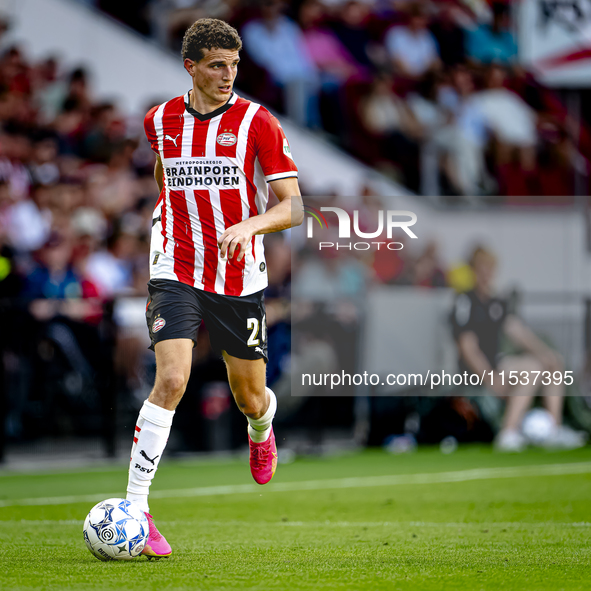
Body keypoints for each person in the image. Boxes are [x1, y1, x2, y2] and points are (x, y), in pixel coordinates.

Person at [126, 18, 303, 559]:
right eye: (217, 65)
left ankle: (261, 426)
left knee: (249, 395)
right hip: (174, 265)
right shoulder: (159, 120)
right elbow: (164, 175)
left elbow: (294, 206)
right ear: (191, 68)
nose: (228, 75)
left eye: (234, 65)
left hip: (237, 275)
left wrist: (250, 225)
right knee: (172, 378)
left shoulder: (257, 122)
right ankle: (136, 509)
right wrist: (173, 223)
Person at [451, 247, 585, 452]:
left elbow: (518, 332)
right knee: (532, 369)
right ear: (473, 271)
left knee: (551, 362)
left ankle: (553, 429)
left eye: (490, 269)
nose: (486, 274)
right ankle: (508, 431)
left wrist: (544, 353)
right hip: (475, 374)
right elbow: (468, 348)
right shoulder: (466, 301)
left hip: (498, 364)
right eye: (482, 269)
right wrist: (490, 377)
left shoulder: (497, 302)